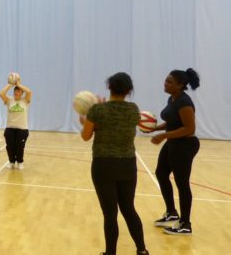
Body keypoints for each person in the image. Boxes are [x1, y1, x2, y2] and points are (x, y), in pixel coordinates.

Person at [79, 72, 148, 255]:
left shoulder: (97, 110)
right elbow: (123, 122)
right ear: (128, 91)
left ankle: (110, 253)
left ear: (109, 87)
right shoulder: (134, 109)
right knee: (128, 208)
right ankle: (142, 250)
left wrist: (86, 121)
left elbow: (86, 136)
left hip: (104, 165)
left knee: (110, 213)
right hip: (128, 165)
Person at [150, 68, 200, 235]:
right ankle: (171, 213)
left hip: (185, 144)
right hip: (174, 142)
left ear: (180, 85)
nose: (165, 83)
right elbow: (172, 120)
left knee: (182, 183)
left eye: (170, 82)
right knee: (161, 173)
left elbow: (189, 128)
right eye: (166, 80)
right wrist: (155, 128)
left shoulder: (184, 102)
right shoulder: (172, 99)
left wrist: (163, 135)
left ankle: (185, 224)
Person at [0, 78, 32, 170]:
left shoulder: (25, 101)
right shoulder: (9, 100)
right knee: (9, 147)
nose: (16, 92)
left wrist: (18, 84)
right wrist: (10, 84)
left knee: (19, 147)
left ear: (21, 93)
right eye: (15, 90)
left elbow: (29, 91)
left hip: (22, 129)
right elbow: (1, 94)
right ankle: (11, 161)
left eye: (18, 91)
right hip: (10, 128)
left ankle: (20, 162)